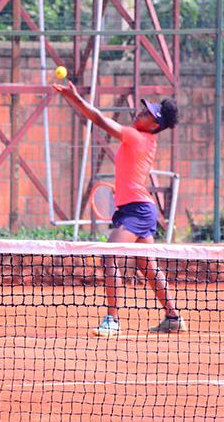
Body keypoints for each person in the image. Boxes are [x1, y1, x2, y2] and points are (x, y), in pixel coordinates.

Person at [53, 80, 186, 337]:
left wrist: (75, 98)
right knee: (147, 266)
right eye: (142, 109)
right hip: (136, 206)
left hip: (137, 209)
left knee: (109, 255)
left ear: (155, 125)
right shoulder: (144, 141)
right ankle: (173, 316)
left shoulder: (136, 137)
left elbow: (101, 120)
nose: (140, 113)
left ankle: (112, 319)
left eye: (147, 114)